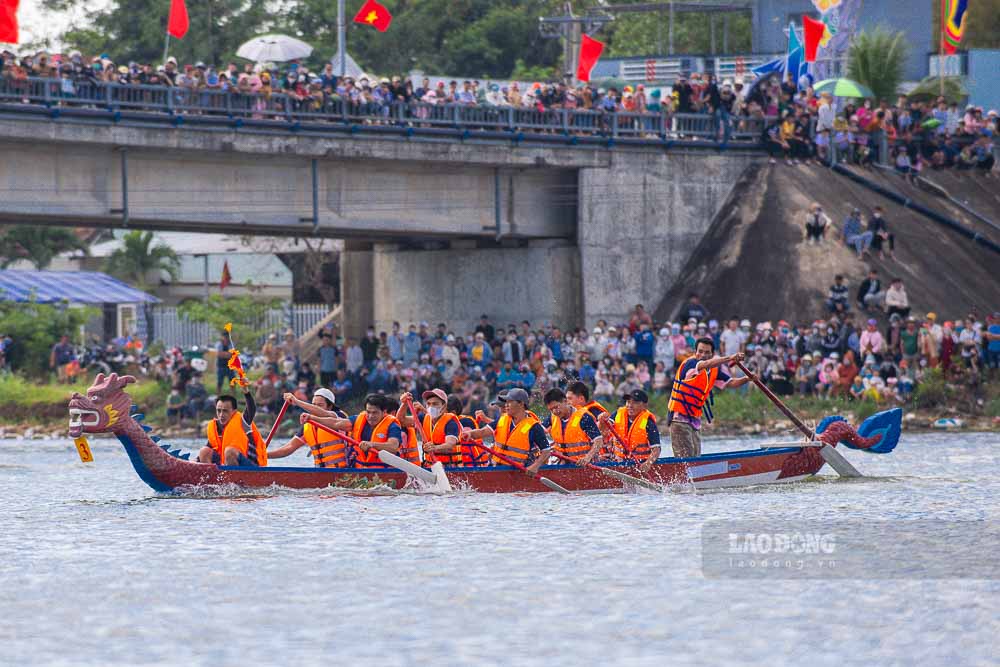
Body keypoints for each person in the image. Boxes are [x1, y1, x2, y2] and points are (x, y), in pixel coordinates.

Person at [666, 338, 750, 458]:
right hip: (679, 419)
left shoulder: (714, 370)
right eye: (700, 351)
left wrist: (747, 379)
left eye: (707, 353)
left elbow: (730, 383)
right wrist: (730, 357)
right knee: (685, 461)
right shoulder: (691, 363)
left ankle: (695, 477)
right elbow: (705, 364)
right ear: (695, 352)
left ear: (712, 354)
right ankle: (681, 476)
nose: (703, 355)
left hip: (694, 421)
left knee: (696, 457)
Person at [297, 393, 402, 467]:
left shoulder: (392, 425)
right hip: (359, 470)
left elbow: (393, 446)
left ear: (384, 412)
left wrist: (372, 445)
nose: (370, 416)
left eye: (374, 413)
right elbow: (336, 423)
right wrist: (312, 418)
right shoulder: (357, 420)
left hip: (384, 471)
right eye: (368, 412)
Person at [464, 388, 548, 468]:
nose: (506, 405)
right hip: (496, 468)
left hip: (517, 471)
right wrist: (470, 433)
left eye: (510, 402)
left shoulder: (534, 427)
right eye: (506, 402)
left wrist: (535, 467)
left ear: (521, 404)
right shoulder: (502, 419)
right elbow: (482, 432)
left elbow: (546, 451)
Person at [268, 388, 351, 467]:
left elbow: (325, 414)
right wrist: (264, 455)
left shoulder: (339, 417)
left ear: (330, 407)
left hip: (343, 471)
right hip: (320, 473)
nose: (315, 408)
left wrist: (296, 401)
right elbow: (288, 448)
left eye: (320, 405)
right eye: (313, 405)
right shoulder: (308, 425)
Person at [538, 387, 603, 469]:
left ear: (565, 401)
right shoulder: (552, 417)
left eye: (556, 407)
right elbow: (538, 432)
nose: (555, 411)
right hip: (562, 465)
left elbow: (599, 441)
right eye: (551, 410)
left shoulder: (584, 417)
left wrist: (587, 457)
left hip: (583, 465)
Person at [197, 391, 267, 467]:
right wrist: (195, 461)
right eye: (219, 411)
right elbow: (209, 448)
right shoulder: (215, 428)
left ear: (234, 411)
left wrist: (247, 393)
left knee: (229, 451)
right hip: (227, 465)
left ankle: (231, 478)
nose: (221, 415)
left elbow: (252, 409)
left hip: (251, 465)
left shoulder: (244, 420)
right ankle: (210, 477)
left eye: (225, 411)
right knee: (204, 451)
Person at [598, 389, 661, 472]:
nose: (630, 406)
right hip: (618, 461)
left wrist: (648, 463)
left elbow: (657, 449)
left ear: (644, 405)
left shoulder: (648, 423)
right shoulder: (618, 414)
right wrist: (602, 421)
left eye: (635, 403)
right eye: (628, 402)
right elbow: (604, 431)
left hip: (638, 463)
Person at [398, 389, 462, 466]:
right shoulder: (424, 418)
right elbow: (401, 420)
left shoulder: (450, 422)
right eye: (428, 404)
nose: (431, 407)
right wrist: (404, 403)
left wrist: (435, 448)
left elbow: (450, 445)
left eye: (435, 404)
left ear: (444, 406)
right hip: (430, 466)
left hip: (450, 467)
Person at [215, 330, 235, 395]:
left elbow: (232, 354)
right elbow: (218, 354)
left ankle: (232, 395)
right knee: (219, 383)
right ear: (222, 337)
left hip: (230, 366)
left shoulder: (231, 343)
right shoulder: (219, 344)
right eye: (225, 337)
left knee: (232, 382)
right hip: (221, 366)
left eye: (227, 337)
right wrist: (228, 354)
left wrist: (224, 354)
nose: (226, 338)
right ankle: (218, 395)